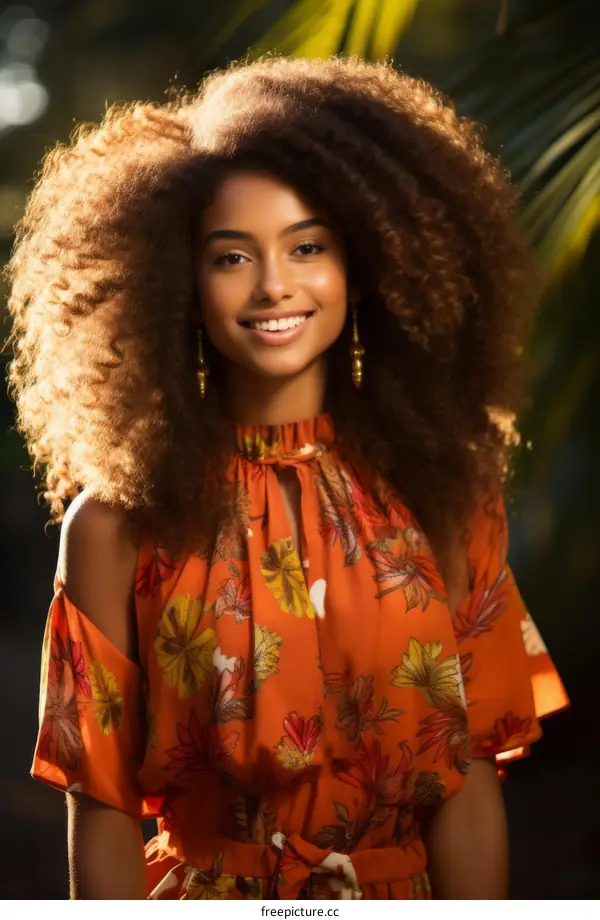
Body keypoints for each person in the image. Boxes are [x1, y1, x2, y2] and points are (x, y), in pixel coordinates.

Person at [7, 56, 568, 900]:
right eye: (232, 257)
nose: (274, 285)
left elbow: (468, 783)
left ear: (366, 264)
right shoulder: (115, 527)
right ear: (179, 284)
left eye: (307, 247)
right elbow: (102, 807)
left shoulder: (447, 499)